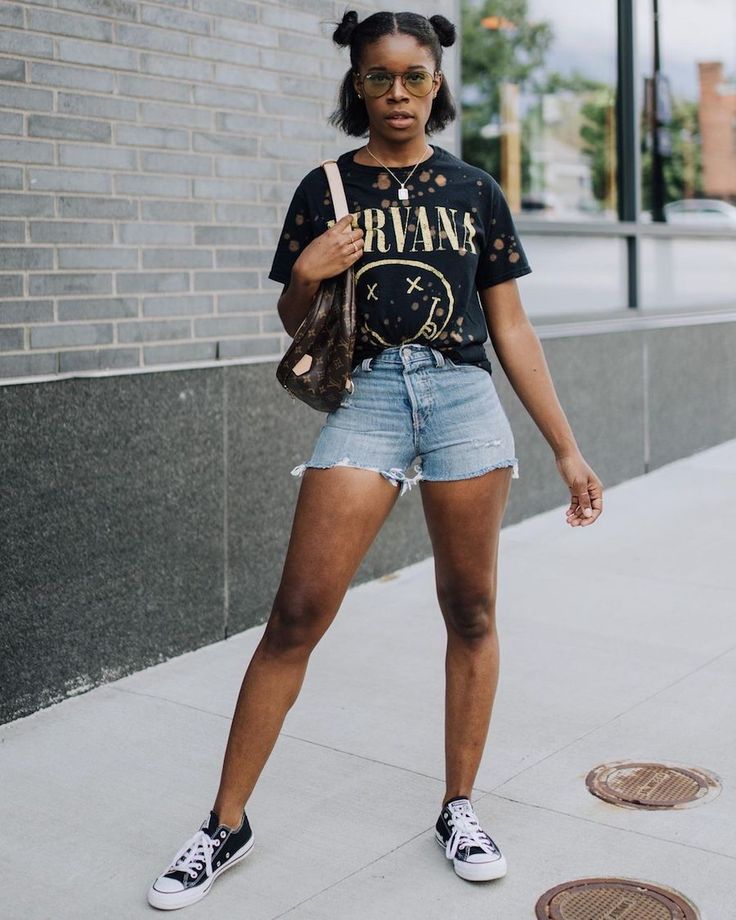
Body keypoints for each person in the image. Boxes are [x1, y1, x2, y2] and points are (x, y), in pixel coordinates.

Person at [147, 9, 603, 910]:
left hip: (462, 398)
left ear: (438, 84)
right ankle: (225, 824)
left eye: (414, 77)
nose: (398, 93)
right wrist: (307, 269)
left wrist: (567, 448)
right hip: (371, 398)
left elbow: (511, 328)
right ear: (356, 85)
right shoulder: (325, 187)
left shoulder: (474, 191)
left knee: (470, 609)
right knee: (297, 614)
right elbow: (298, 323)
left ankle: (459, 807)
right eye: (379, 77)